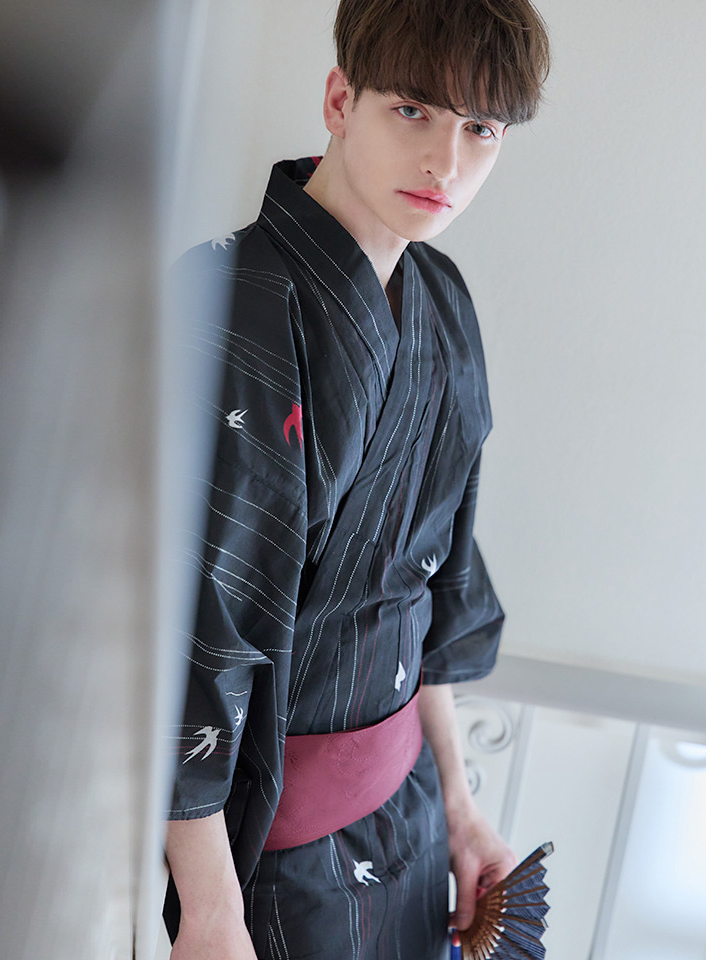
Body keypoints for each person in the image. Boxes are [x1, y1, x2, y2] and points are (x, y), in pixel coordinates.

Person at [164, 1, 550, 957]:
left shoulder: (443, 301)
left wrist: (460, 808)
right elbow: (196, 637)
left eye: (480, 129)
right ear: (341, 100)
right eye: (412, 110)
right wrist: (210, 909)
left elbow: (433, 584)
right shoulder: (223, 303)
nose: (446, 163)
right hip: (262, 855)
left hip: (410, 817)